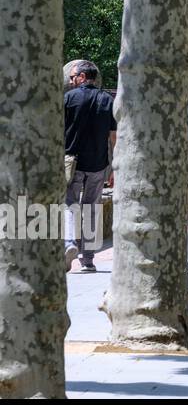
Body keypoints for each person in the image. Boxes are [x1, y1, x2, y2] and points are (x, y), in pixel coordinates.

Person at [63, 62, 116, 273]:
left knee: (69, 204)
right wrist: (113, 167)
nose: (70, 81)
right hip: (98, 164)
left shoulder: (69, 98)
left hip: (72, 162)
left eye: (72, 77)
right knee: (92, 208)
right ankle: (88, 259)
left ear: (82, 76)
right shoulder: (107, 100)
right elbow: (114, 137)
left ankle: (69, 243)